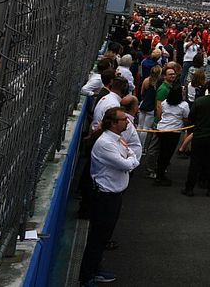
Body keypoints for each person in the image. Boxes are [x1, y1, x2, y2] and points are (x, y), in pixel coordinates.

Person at [79, 107, 141, 287]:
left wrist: (130, 157)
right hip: (104, 197)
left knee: (103, 236)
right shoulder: (106, 143)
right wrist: (131, 159)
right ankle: (86, 276)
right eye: (123, 120)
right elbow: (127, 163)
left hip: (113, 195)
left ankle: (95, 268)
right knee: (97, 238)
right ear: (114, 123)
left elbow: (129, 155)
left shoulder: (116, 139)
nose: (127, 122)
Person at [154, 84, 188, 186]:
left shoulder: (165, 102)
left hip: (161, 129)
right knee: (167, 154)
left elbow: (161, 114)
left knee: (162, 152)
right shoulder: (184, 105)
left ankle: (159, 173)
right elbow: (186, 118)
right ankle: (160, 176)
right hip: (173, 131)